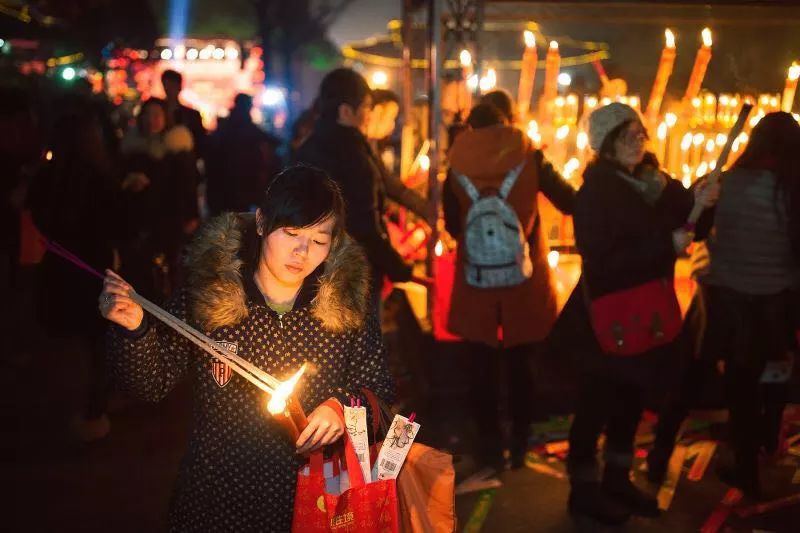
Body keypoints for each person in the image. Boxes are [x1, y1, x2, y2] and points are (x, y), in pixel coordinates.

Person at [99, 165, 395, 531]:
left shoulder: (347, 307)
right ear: (261, 223)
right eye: (291, 233)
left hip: (312, 504)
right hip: (214, 501)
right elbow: (148, 385)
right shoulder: (210, 295)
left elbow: (379, 393)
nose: (302, 252)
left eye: (319, 241)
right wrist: (134, 330)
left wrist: (341, 408)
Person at [557, 103, 718, 524]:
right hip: (607, 316)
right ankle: (584, 490)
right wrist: (666, 246)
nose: (636, 142)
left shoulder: (656, 182)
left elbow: (692, 223)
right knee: (595, 405)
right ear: (605, 145)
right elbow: (602, 259)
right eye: (625, 135)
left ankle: (617, 478)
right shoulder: (595, 194)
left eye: (639, 133)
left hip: (646, 315)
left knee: (631, 401)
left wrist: (705, 202)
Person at [649, 112, 800, 499]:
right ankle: (749, 467)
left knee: (692, 377)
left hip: (721, 299)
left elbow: (692, 227)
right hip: (771, 305)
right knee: (748, 387)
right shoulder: (794, 191)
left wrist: (699, 194)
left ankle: (660, 452)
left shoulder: (724, 184)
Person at [442, 102, 576, 473]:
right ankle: (519, 443)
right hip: (524, 276)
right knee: (523, 363)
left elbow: (452, 224)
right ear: (509, 121)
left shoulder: (457, 160)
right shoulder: (529, 155)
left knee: (480, 364)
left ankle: (489, 447)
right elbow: (569, 200)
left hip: (476, 278)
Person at [28, 111, 123, 441]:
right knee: (97, 340)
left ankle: (66, 408)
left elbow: (37, 214)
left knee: (66, 342)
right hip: (93, 268)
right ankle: (93, 409)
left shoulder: (48, 175)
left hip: (59, 265)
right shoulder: (99, 176)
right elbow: (117, 222)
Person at [294, 68, 412, 310]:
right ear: (346, 111)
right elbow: (363, 226)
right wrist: (397, 267)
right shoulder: (353, 156)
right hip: (352, 276)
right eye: (367, 107)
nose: (370, 114)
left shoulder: (307, 149)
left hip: (311, 272)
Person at [119, 98, 199, 299]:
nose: (151, 120)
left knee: (169, 268)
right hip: (138, 218)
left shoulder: (177, 146)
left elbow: (188, 184)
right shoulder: (132, 147)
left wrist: (191, 215)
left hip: (169, 217)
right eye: (146, 115)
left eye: (156, 115)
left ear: (166, 118)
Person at [206, 93, 282, 216]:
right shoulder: (245, 126)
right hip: (242, 181)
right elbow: (270, 139)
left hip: (226, 182)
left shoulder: (226, 126)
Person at [366, 89, 428, 219]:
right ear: (377, 112)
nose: (393, 125)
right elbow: (388, 184)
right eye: (391, 117)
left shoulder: (372, 145)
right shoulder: (361, 148)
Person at [161, 69, 207, 155]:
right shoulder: (157, 113)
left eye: (172, 85)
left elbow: (200, 144)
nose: (168, 89)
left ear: (179, 87)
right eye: (166, 86)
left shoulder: (192, 115)